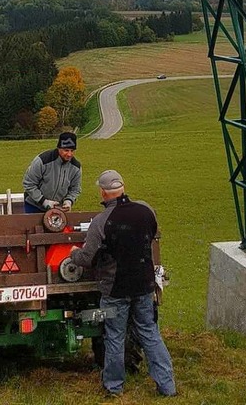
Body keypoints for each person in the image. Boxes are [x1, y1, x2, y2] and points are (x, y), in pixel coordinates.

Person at [69, 169, 176, 398]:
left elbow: (88, 258)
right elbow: (154, 233)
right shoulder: (146, 210)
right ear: (123, 188)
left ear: (103, 192)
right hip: (144, 286)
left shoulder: (101, 222)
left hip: (115, 290)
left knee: (115, 336)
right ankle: (167, 387)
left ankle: (114, 387)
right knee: (150, 332)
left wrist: (73, 254)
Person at [22, 132, 82, 213]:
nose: (69, 154)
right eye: (66, 150)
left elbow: (75, 189)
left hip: (58, 209)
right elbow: (29, 183)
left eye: (72, 150)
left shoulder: (76, 167)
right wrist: (44, 201)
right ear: (59, 148)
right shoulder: (42, 160)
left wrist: (69, 201)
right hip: (33, 206)